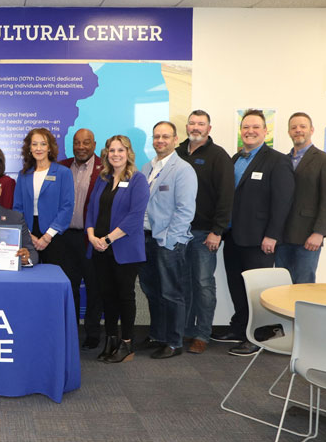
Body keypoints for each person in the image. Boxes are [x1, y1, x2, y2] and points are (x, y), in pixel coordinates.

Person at [220, 109, 294, 356]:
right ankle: (241, 328)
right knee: (237, 285)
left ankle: (260, 335)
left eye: (255, 127)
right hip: (233, 236)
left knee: (257, 290)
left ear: (265, 131)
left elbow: (283, 201)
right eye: (245, 127)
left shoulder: (276, 160)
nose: (249, 131)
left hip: (259, 239)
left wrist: (272, 235)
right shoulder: (235, 158)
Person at [85, 135, 149, 364]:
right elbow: (91, 210)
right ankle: (111, 340)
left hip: (124, 249)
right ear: (106, 154)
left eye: (120, 150)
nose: (116, 154)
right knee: (107, 296)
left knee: (125, 297)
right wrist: (92, 236)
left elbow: (135, 217)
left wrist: (108, 239)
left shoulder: (138, 180)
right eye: (112, 150)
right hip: (100, 248)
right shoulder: (102, 179)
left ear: (128, 153)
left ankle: (127, 344)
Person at [175, 110, 234, 354]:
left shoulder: (218, 156)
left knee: (203, 283)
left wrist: (217, 231)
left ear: (209, 128)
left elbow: (226, 196)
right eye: (192, 123)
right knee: (183, 284)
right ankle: (186, 330)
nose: (195, 127)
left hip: (204, 233)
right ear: (186, 126)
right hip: (179, 232)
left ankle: (202, 334)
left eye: (201, 124)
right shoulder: (177, 153)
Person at [138, 121, 197, 359]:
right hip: (145, 239)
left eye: (165, 136)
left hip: (167, 242)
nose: (160, 140)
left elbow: (185, 211)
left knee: (172, 293)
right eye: (156, 136)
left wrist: (170, 241)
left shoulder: (183, 170)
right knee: (152, 290)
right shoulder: (146, 168)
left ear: (175, 140)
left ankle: (174, 341)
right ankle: (158, 335)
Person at [59, 128, 103, 350]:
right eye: (77, 143)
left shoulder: (104, 168)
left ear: (94, 145)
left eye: (86, 143)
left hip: (91, 238)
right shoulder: (61, 166)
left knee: (94, 287)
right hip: (65, 238)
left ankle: (93, 332)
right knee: (70, 287)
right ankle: (70, 331)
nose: (81, 147)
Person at [275, 112, 326, 284]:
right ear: (289, 132)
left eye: (302, 126)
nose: (298, 130)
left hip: (308, 237)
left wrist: (319, 232)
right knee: (281, 288)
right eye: (293, 127)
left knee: (304, 288)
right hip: (282, 237)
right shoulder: (282, 160)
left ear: (311, 130)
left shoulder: (324, 160)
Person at [14, 128, 75, 270]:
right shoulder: (23, 175)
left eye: (43, 144)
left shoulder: (63, 173)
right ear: (29, 148)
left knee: (53, 276)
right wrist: (29, 235)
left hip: (54, 235)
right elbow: (17, 208)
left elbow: (67, 206)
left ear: (49, 147)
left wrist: (47, 236)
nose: (38, 148)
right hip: (28, 233)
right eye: (34, 144)